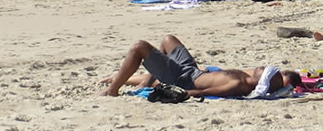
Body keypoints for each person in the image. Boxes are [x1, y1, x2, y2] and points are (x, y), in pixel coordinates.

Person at [99, 34, 301, 97]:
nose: (261, 67)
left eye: (264, 70)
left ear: (262, 79)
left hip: (184, 78)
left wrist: (177, 92)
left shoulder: (240, 85)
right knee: (168, 40)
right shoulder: (248, 76)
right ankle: (145, 80)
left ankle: (112, 90)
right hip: (192, 70)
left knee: (139, 47)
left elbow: (202, 91)